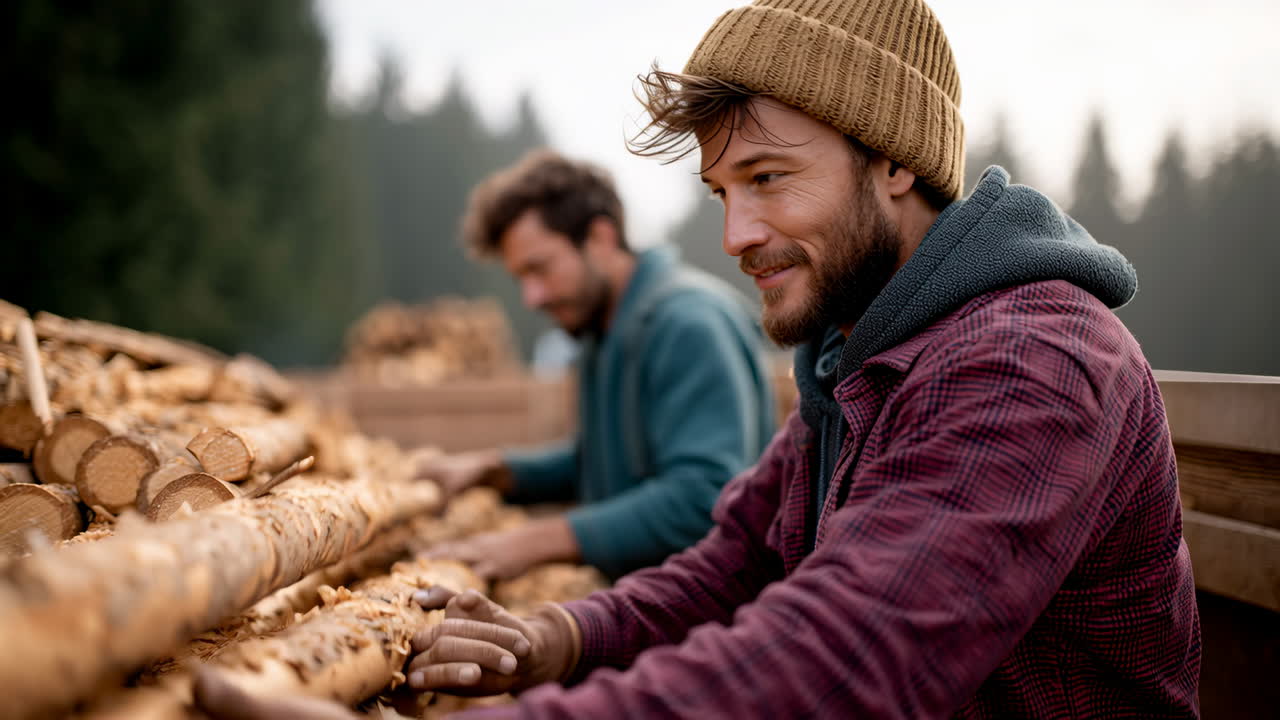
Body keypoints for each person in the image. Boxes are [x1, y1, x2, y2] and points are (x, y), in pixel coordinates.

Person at [197, 0, 1200, 717]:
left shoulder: (1028, 360)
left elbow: (847, 659)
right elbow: (727, 566)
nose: (734, 233)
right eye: (722, 191)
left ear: (895, 160)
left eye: (768, 177)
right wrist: (556, 639)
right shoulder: (858, 359)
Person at [415, 149, 775, 581]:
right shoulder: (600, 328)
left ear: (600, 239)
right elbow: (611, 464)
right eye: (521, 279)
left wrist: (536, 541)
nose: (533, 297)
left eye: (540, 269)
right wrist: (495, 471)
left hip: (714, 625)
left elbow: (703, 495)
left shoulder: (687, 324)